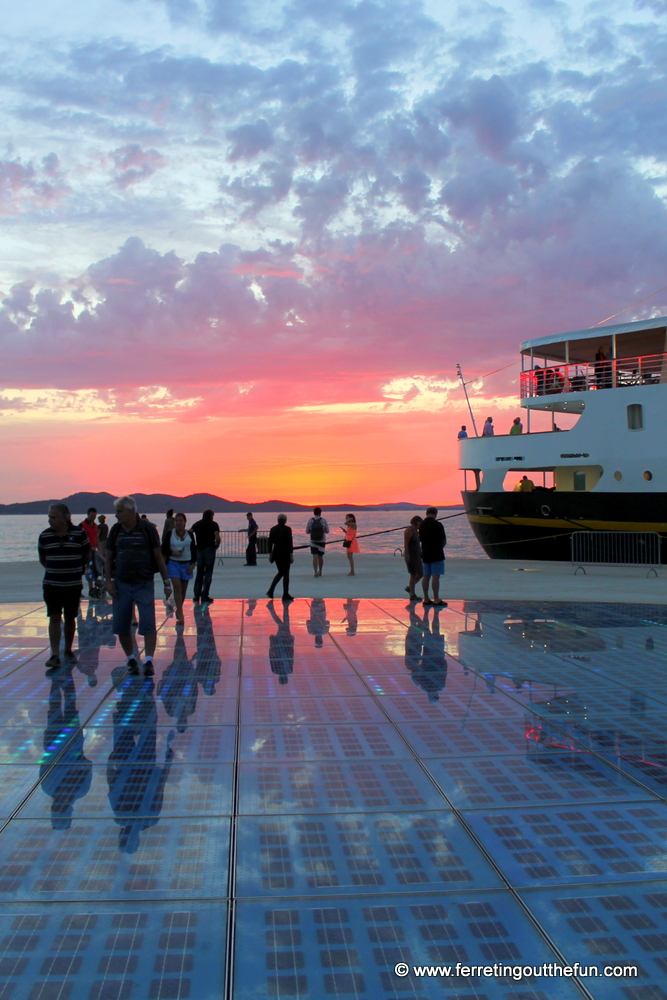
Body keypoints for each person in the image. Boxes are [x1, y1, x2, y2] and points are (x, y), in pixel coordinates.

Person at [104, 495, 172, 676]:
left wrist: (167, 582)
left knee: (148, 623)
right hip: (121, 584)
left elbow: (158, 557)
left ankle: (149, 661)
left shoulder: (148, 529)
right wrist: (108, 581)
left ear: (130, 511)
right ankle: (131, 659)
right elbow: (108, 558)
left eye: (119, 511)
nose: (116, 515)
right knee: (121, 625)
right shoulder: (116, 530)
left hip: (144, 583)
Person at [38, 503, 91, 670]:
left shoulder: (79, 534)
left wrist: (75, 571)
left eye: (53, 517)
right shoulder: (45, 536)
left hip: (72, 585)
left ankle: (68, 650)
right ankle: (54, 654)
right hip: (52, 584)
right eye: (49, 517)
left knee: (70, 618)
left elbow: (86, 556)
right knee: (54, 617)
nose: (49, 520)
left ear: (64, 518)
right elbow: (43, 559)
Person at [162, 513, 197, 625]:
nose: (178, 523)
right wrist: (173, 553)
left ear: (185, 522)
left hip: (186, 564)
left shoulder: (190, 535)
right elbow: (163, 548)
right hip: (173, 563)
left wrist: (193, 564)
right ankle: (180, 614)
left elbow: (194, 550)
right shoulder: (169, 534)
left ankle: (179, 608)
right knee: (177, 586)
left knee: (183, 589)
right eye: (176, 521)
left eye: (180, 521)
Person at [418, 507, 447, 607]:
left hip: (425, 553)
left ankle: (426, 598)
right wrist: (439, 548)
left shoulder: (421, 525)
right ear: (435, 514)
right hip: (437, 553)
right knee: (435, 576)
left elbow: (420, 540)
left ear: (426, 514)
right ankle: (436, 599)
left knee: (426, 576)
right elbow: (443, 540)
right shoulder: (438, 525)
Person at [191, 509, 221, 604]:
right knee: (208, 572)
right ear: (211, 515)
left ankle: (196, 594)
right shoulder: (214, 524)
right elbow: (217, 537)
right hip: (210, 550)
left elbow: (189, 533)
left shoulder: (197, 524)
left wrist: (193, 545)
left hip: (199, 550)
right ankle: (205, 595)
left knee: (199, 573)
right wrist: (217, 545)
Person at [267, 514, 294, 600]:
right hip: (285, 554)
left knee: (281, 572)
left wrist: (270, 554)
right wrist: (291, 554)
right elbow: (290, 543)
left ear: (278, 520)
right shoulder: (288, 529)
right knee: (285, 574)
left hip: (276, 554)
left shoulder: (273, 529)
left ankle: (271, 591)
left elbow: (270, 543)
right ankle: (284, 594)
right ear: (285, 520)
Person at [403, 515, 423, 601]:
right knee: (413, 574)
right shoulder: (409, 530)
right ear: (416, 522)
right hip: (411, 555)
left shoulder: (417, 531)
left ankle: (410, 588)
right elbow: (406, 544)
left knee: (421, 573)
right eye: (420, 523)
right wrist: (407, 555)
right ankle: (412, 594)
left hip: (417, 555)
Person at [306, 507, 329, 577]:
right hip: (321, 541)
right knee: (320, 557)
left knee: (314, 557)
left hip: (313, 541)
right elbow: (327, 531)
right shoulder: (323, 520)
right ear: (320, 513)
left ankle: (315, 572)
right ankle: (320, 571)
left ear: (314, 513)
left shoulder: (310, 520)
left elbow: (307, 531)